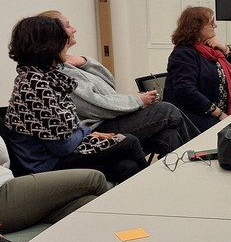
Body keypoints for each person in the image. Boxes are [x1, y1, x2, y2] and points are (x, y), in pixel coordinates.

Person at [5, 16, 148, 183]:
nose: (65, 44)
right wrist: (86, 132)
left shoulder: (40, 77)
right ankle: (155, 197)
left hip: (58, 153)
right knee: (129, 142)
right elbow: (62, 147)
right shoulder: (36, 86)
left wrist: (83, 132)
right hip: (47, 165)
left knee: (127, 167)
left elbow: (65, 131)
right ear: (48, 46)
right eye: (61, 40)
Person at [41, 10, 198, 157]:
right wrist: (138, 101)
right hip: (97, 128)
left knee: (169, 137)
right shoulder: (58, 71)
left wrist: (85, 62)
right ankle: (205, 156)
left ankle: (182, 181)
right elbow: (97, 106)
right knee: (166, 110)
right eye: (68, 26)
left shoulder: (69, 63)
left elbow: (110, 85)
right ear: (56, 34)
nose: (74, 29)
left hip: (109, 120)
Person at [0, 132, 108, 234]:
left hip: (10, 185)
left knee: (89, 203)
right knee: (95, 179)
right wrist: (85, 130)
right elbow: (62, 148)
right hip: (4, 192)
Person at [164, 7, 231, 133]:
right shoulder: (183, 53)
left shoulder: (211, 50)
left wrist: (225, 49)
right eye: (211, 22)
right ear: (196, 27)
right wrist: (219, 113)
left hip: (219, 114)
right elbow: (186, 90)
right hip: (197, 116)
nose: (215, 25)